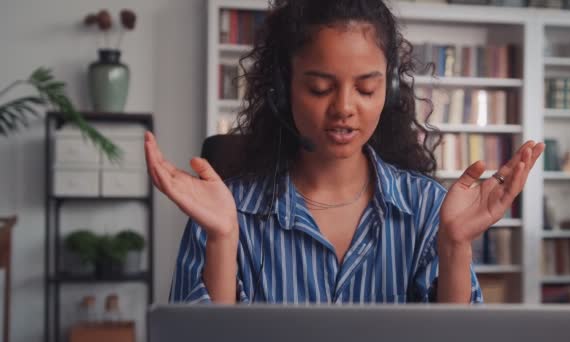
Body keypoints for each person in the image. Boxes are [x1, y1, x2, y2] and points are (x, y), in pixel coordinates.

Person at [144, 0, 544, 304]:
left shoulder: (428, 209)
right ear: (282, 91)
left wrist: (455, 243)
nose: (344, 108)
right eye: (320, 88)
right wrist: (222, 239)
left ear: (390, 90)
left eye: (366, 89)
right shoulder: (225, 211)